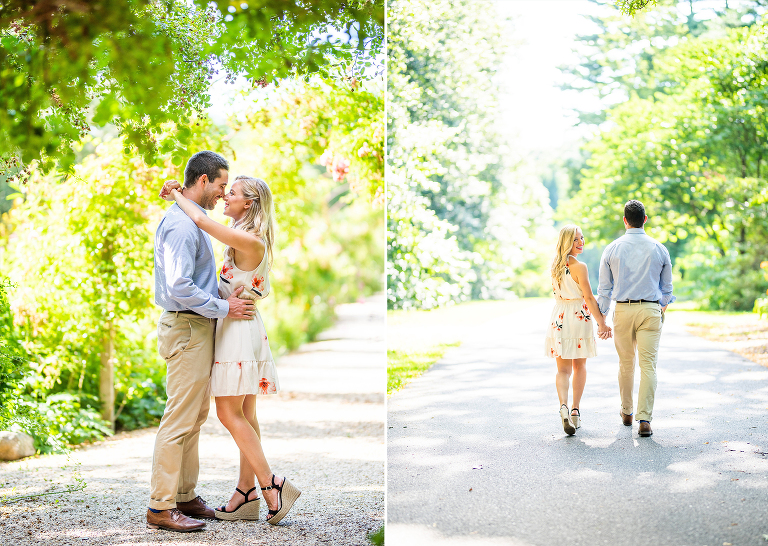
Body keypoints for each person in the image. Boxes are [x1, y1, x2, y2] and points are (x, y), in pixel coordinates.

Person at [160, 174, 301, 525]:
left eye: (232, 193)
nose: (225, 196)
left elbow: (200, 219)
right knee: (247, 415)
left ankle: (271, 484)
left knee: (228, 413)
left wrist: (177, 193)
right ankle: (245, 493)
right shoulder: (246, 237)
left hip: (237, 329)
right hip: (240, 324)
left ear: (248, 203)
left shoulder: (249, 240)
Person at [149, 151, 255, 532]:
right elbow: (179, 286)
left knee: (194, 416)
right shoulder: (182, 225)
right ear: (204, 180)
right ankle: (160, 506)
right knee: (180, 417)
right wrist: (225, 308)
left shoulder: (194, 219)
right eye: (222, 185)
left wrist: (223, 301)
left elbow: (197, 280)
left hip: (197, 327)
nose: (223, 193)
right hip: (187, 328)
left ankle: (184, 496)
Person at [597, 200, 675, 438]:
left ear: (625, 220)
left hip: (622, 310)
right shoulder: (659, 248)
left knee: (626, 364)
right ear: (645, 219)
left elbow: (604, 290)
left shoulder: (612, 249)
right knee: (648, 365)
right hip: (650, 309)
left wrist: (601, 318)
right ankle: (645, 420)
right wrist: (660, 307)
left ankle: (627, 412)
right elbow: (667, 289)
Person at [545, 224, 611, 435]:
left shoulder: (554, 266)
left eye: (582, 238)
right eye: (575, 239)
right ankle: (575, 411)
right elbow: (589, 297)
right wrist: (601, 323)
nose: (581, 242)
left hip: (559, 317)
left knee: (562, 370)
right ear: (566, 242)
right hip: (578, 316)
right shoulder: (579, 266)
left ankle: (563, 406)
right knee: (579, 366)